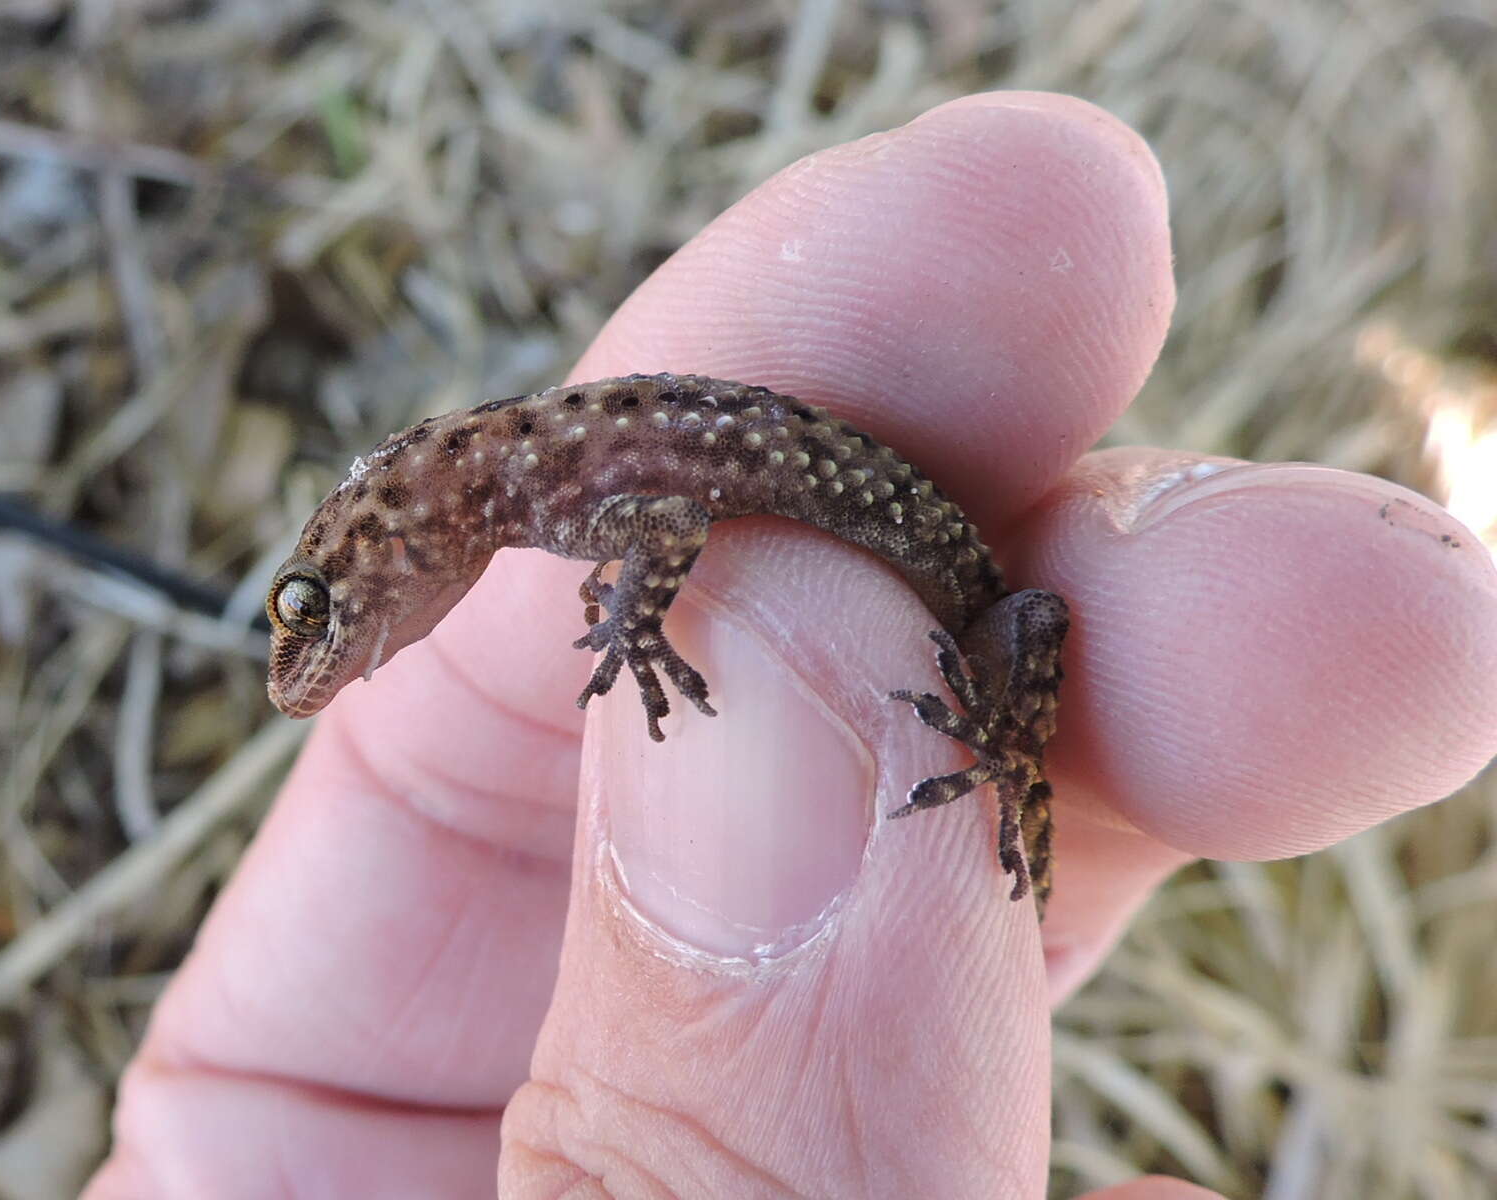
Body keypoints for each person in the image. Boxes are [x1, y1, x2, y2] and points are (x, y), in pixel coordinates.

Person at [84, 92, 1497, 1198]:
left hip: (963, 584)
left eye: (309, 614)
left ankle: (1009, 757)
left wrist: (643, 616)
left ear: (386, 529)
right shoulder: (530, 492)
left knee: (1035, 626)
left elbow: (684, 518)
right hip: (930, 582)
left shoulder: (540, 484)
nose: (314, 663)